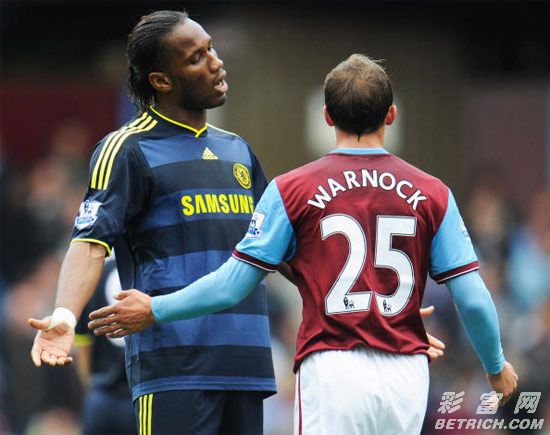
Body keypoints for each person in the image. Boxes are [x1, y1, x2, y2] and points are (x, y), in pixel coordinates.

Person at [88, 54, 518, 435]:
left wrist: (156, 308)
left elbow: (232, 286)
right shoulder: (433, 192)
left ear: (327, 116)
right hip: (407, 372)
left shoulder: (292, 189)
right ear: (390, 115)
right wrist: (495, 366)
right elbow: (473, 299)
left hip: (332, 368)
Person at [28, 10, 276, 434]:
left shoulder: (238, 150)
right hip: (174, 369)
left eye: (211, 49)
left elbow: (278, 247)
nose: (216, 62)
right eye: (196, 58)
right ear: (161, 81)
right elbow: (89, 242)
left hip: (245, 366)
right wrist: (65, 314)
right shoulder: (127, 148)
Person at [74, 257, 134, 435]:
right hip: (141, 398)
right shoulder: (149, 268)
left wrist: (91, 389)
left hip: (100, 400)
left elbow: (82, 343)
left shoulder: (95, 273)